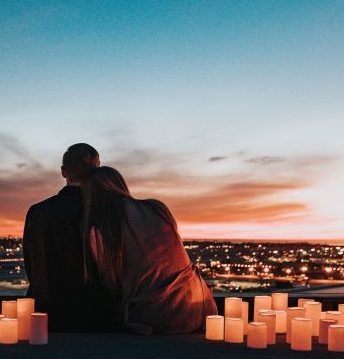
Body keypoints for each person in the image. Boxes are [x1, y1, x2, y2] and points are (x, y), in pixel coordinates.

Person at [81, 166, 217, 334]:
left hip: (156, 317)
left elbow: (111, 284)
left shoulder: (101, 231)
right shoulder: (157, 208)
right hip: (200, 308)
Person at [23, 143, 116, 331]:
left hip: (45, 313)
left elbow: (32, 267)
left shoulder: (37, 212)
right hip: (95, 315)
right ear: (96, 171)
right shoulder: (105, 212)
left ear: (63, 172)